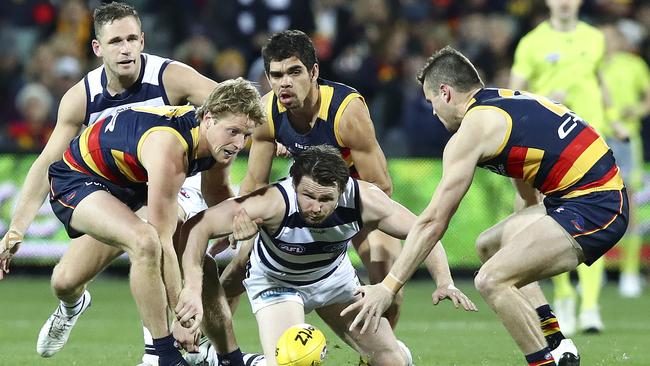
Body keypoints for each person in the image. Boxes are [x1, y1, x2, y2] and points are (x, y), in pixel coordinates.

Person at [0, 3, 260, 365]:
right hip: (107, 187)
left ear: (143, 40)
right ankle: (75, 305)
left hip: (166, 181)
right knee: (64, 279)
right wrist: (16, 229)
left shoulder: (172, 78)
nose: (125, 49)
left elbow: (234, 106)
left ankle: (173, 351)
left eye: (132, 39)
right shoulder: (81, 97)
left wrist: (278, 132)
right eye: (116, 41)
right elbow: (46, 162)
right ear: (97, 48)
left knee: (157, 241)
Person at [343, 46, 627, 366]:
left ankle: (545, 361)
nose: (433, 111)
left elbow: (434, 221)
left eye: (431, 101)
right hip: (580, 195)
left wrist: (389, 286)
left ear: (446, 93)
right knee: (490, 246)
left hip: (596, 204)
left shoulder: (473, 130)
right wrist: (526, 236)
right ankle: (558, 346)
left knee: (491, 280)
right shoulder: (502, 102)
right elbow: (526, 177)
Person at [176, 145, 477, 366]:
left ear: (342, 189)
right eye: (308, 196)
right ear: (294, 186)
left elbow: (426, 232)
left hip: (335, 282)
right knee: (294, 361)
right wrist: (190, 288)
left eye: (326, 199)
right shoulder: (271, 202)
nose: (316, 207)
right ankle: (225, 360)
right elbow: (193, 228)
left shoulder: (364, 199)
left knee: (393, 361)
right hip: (277, 285)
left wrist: (444, 280)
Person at [220, 29, 441, 328]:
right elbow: (254, 182)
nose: (284, 82)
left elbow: (380, 186)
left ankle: (376, 358)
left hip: (355, 201)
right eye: (276, 75)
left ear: (314, 72)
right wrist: (239, 218)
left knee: (387, 281)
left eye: (294, 72)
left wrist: (338, 221)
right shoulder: (267, 110)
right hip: (307, 198)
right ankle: (215, 348)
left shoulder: (345, 111)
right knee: (238, 267)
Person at [509, 0, 614, 335]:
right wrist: (542, 96)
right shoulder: (532, 42)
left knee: (595, 222)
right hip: (552, 152)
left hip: (593, 145)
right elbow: (515, 94)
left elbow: (600, 81)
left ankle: (591, 307)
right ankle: (565, 298)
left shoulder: (594, 37)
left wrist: (613, 118)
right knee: (552, 227)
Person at [600, 21, 650, 298]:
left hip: (627, 139)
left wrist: (637, 110)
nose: (606, 41)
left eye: (611, 37)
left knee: (628, 204)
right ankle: (593, 271)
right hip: (596, 138)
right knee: (591, 202)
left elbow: (648, 99)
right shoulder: (591, 66)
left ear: (620, 41)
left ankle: (629, 273)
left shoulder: (634, 65)